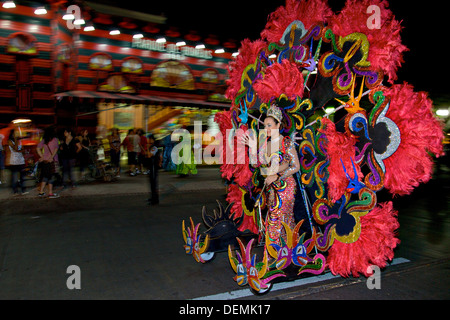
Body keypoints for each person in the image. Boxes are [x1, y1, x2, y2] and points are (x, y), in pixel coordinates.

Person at [242, 103, 300, 246]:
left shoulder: (286, 142)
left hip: (286, 186)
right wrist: (252, 148)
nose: (266, 129)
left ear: (278, 124)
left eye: (269, 125)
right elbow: (256, 165)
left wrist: (278, 175)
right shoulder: (265, 144)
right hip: (271, 189)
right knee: (281, 219)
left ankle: (273, 254)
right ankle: (288, 250)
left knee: (276, 217)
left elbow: (296, 166)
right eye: (264, 125)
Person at [36, 126, 59, 198]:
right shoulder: (55, 139)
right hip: (52, 161)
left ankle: (41, 192)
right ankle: (50, 193)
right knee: (51, 177)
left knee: (45, 176)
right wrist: (51, 157)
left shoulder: (44, 140)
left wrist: (42, 156)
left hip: (45, 161)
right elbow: (56, 149)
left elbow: (38, 148)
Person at [5, 128, 28, 195]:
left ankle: (23, 190)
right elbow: (15, 148)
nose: (17, 134)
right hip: (14, 161)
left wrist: (19, 150)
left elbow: (23, 150)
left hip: (21, 160)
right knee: (15, 177)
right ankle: (15, 191)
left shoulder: (20, 141)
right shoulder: (9, 141)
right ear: (12, 134)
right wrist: (15, 140)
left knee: (22, 177)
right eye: (15, 133)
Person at [146, 133, 162, 205]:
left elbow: (149, 155)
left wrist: (147, 148)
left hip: (153, 167)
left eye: (149, 139)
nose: (148, 140)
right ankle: (153, 197)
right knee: (152, 183)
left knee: (153, 183)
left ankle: (155, 199)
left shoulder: (154, 147)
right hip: (152, 166)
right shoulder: (154, 147)